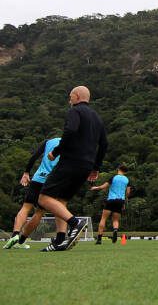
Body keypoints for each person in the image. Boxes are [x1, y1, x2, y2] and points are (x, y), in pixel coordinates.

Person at [38, 86, 108, 252]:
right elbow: (104, 144)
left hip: (71, 161)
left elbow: (70, 130)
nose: (69, 100)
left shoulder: (74, 111)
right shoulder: (97, 118)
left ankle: (75, 222)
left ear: (76, 97)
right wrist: (96, 167)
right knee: (60, 201)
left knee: (44, 198)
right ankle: (60, 240)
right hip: (86, 165)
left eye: (70, 97)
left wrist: (55, 151)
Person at [3, 135, 61, 250]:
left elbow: (34, 157)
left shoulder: (48, 142)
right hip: (52, 180)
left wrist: (26, 173)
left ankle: (15, 235)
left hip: (38, 178)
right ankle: (21, 241)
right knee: (39, 212)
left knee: (25, 207)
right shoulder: (70, 144)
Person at [89, 164, 131, 244]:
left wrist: (95, 188)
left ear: (118, 169)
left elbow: (103, 187)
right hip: (120, 201)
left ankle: (99, 239)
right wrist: (124, 201)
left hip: (111, 200)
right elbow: (128, 192)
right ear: (125, 171)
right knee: (115, 220)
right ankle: (115, 230)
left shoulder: (114, 177)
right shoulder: (127, 180)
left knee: (103, 218)